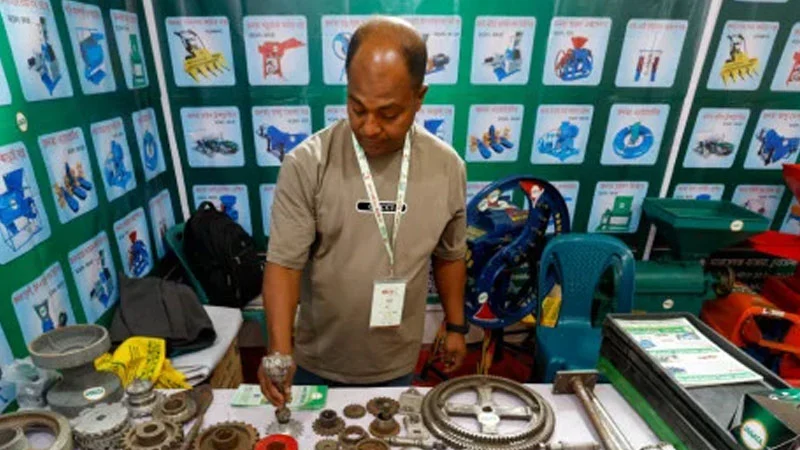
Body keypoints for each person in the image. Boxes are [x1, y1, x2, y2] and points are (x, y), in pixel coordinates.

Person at [258, 16, 469, 407]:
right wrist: (278, 351)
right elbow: (284, 264)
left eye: (388, 114)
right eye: (357, 108)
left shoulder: (447, 168)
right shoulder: (308, 164)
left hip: (396, 359)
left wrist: (456, 325)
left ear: (419, 97)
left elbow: (450, 254)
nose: (370, 128)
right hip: (318, 359)